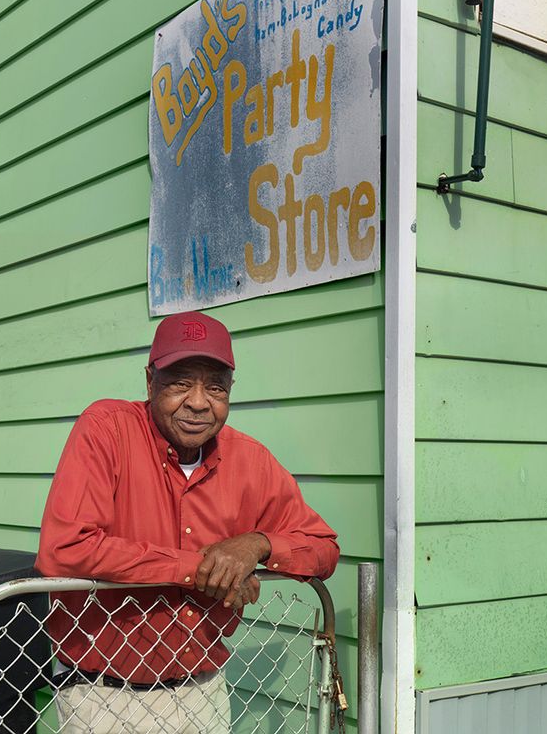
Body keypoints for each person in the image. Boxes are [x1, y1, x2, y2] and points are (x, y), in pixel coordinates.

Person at [35, 311, 339, 733]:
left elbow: (323, 546)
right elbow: (66, 548)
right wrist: (200, 569)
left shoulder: (250, 459)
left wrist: (255, 545)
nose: (198, 402)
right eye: (180, 382)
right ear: (150, 381)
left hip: (204, 691)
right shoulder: (107, 429)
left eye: (215, 386)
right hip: (104, 695)